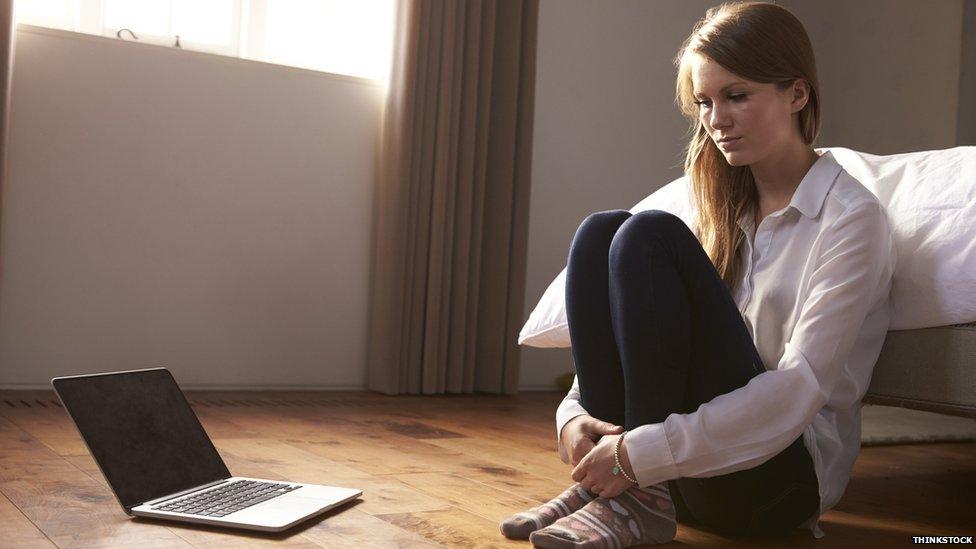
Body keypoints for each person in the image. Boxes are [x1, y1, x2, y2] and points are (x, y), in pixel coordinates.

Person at [500, 1, 896, 547]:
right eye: (705, 102)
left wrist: (637, 455)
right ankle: (621, 500)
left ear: (797, 94)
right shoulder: (720, 209)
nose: (716, 120)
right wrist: (574, 418)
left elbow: (797, 392)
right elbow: (652, 349)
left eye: (737, 96)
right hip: (674, 475)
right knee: (602, 231)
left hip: (773, 487)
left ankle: (630, 498)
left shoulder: (852, 218)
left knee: (646, 234)